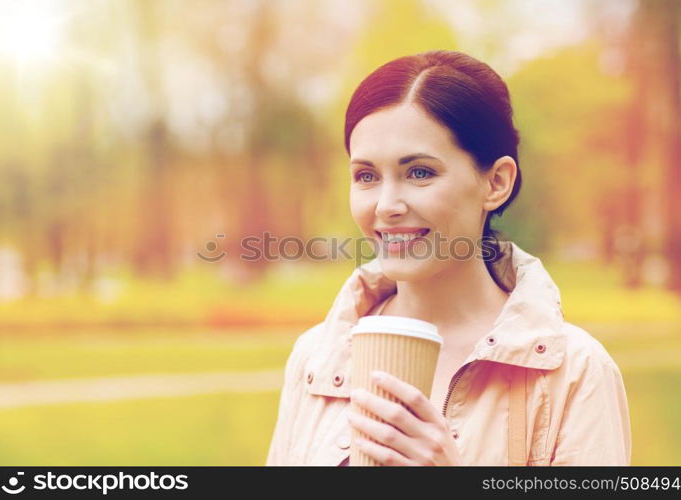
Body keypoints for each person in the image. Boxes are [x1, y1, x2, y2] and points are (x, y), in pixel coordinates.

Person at [266, 50, 632, 466]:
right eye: (366, 176)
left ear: (496, 182)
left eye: (419, 172)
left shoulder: (577, 373)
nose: (386, 205)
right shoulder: (315, 358)